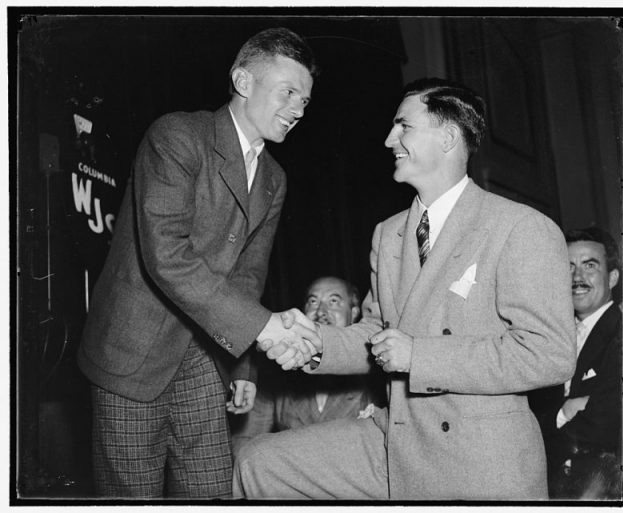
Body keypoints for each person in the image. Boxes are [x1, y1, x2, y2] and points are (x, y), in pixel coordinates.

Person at [234, 77, 577, 500]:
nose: (388, 139)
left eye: (403, 126)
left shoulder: (520, 228)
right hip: (395, 437)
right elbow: (378, 335)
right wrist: (312, 341)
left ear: (449, 137)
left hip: (478, 454)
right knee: (257, 463)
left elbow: (549, 354)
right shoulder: (389, 233)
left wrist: (420, 355)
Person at [76, 27, 319, 498]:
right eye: (288, 92)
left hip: (205, 358)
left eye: (305, 101)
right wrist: (266, 329)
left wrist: (243, 367)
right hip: (130, 356)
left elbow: (249, 276)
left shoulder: (274, 177)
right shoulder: (177, 135)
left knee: (211, 494)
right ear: (243, 82)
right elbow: (166, 256)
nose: (297, 110)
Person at [231, 276, 386, 453]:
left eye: (334, 301)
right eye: (313, 302)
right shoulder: (278, 371)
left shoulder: (376, 372)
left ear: (355, 312)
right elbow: (246, 444)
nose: (321, 311)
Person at [538, 227, 622, 499]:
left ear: (612, 278)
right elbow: (532, 413)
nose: (577, 277)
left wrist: (549, 432)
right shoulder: (549, 336)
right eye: (569, 267)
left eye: (589, 266)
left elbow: (609, 419)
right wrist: (566, 411)